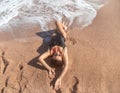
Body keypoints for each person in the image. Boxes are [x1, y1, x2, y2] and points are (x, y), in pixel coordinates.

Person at [38, 20, 69, 90]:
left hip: (54, 35)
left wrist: (49, 68)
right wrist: (59, 78)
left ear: (52, 57)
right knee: (57, 22)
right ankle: (64, 28)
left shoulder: (50, 52)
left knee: (56, 28)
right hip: (63, 36)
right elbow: (66, 66)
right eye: (59, 55)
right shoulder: (64, 52)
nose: (57, 53)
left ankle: (63, 28)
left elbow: (40, 59)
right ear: (61, 57)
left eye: (55, 55)